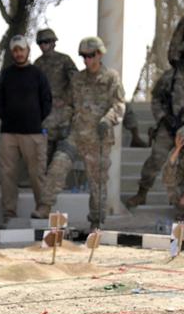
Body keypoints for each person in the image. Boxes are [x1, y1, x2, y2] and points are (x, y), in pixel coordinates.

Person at [33, 36, 125, 230]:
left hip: (98, 139)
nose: (87, 60)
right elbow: (68, 104)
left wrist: (108, 120)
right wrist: (63, 121)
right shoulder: (78, 79)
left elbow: (119, 105)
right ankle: (45, 205)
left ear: (99, 54)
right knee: (57, 165)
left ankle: (96, 221)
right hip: (76, 135)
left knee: (97, 184)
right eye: (84, 56)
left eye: (91, 56)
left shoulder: (111, 78)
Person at [126, 40, 184, 208]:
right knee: (156, 159)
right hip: (168, 127)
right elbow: (156, 100)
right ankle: (142, 193)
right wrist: (164, 118)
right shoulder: (169, 77)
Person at [0, 35, 52, 224]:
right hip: (9, 133)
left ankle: (43, 209)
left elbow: (47, 102)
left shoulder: (38, 74)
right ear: (12, 53)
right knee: (8, 174)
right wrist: (9, 118)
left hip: (33, 133)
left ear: (28, 50)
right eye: (15, 50)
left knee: (37, 174)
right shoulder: (6, 74)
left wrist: (35, 119)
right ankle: (9, 213)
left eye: (22, 49)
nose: (19, 53)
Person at [33, 28, 78, 163]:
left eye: (46, 42)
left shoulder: (64, 60)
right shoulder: (38, 63)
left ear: (53, 42)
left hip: (62, 109)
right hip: (45, 109)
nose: (43, 45)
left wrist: (66, 99)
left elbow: (75, 81)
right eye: (40, 42)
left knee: (62, 145)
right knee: (43, 145)